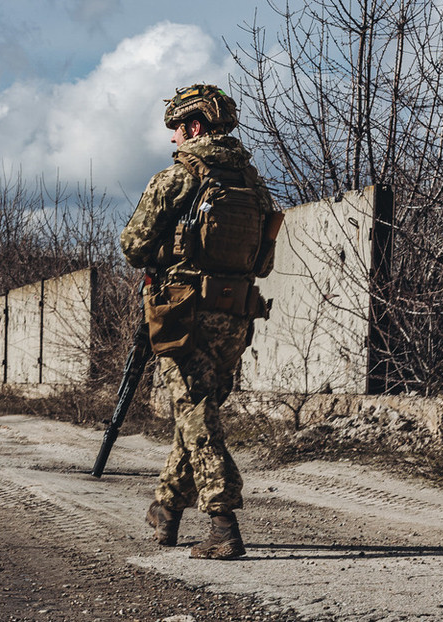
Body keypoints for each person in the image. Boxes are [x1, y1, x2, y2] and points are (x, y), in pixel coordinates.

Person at [120, 84, 277, 560]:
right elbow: (264, 262)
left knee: (197, 416)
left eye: (176, 129)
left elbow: (133, 246)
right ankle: (166, 509)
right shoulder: (254, 185)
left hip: (185, 316)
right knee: (196, 414)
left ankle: (223, 524)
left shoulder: (178, 176)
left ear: (194, 127)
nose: (173, 139)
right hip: (237, 317)